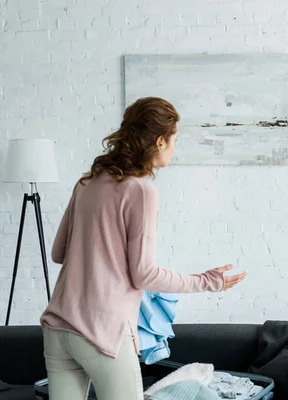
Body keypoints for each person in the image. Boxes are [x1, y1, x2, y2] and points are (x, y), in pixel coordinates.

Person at [40, 97, 247, 400]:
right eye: (175, 140)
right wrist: (207, 281)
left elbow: (59, 253)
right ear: (160, 141)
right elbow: (144, 275)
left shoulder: (86, 183)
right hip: (102, 332)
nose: (175, 148)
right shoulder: (141, 191)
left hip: (59, 328)